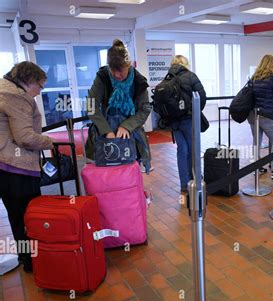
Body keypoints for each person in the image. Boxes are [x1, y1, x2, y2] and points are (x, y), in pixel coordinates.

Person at [0, 61, 54, 272]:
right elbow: (24, 138)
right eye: (40, 86)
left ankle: (27, 259)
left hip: (4, 167)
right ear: (29, 81)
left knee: (16, 218)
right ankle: (34, 262)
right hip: (16, 168)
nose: (40, 92)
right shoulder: (17, 98)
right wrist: (48, 141)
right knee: (28, 217)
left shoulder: (4, 90)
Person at [85, 39, 152, 173]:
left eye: (120, 70)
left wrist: (126, 126)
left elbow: (144, 110)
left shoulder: (139, 81)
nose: (116, 75)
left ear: (129, 65)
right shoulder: (102, 77)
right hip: (105, 131)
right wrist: (106, 131)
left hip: (131, 133)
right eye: (113, 70)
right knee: (107, 175)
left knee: (130, 173)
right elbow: (91, 106)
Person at [168, 55, 206, 192]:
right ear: (185, 64)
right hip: (189, 120)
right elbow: (202, 96)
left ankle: (184, 184)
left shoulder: (168, 77)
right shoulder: (191, 76)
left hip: (174, 122)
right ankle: (195, 179)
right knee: (193, 150)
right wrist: (195, 112)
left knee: (181, 150)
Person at [248, 54, 273, 179]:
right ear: (272, 65)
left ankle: (256, 168)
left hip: (253, 115)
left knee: (256, 142)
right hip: (267, 115)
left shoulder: (254, 77)